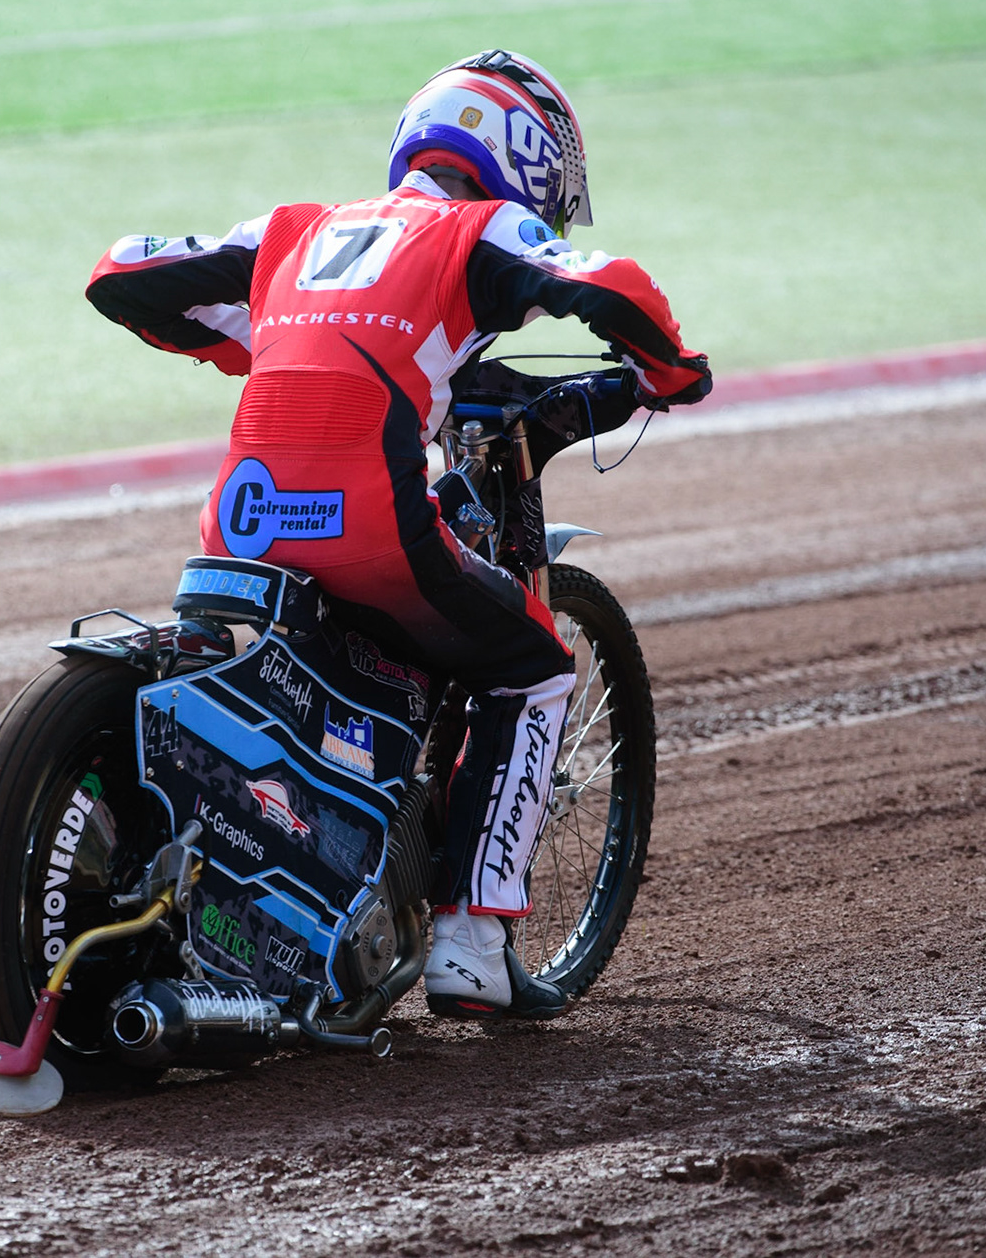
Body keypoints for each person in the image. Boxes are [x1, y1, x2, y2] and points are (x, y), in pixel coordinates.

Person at [86, 50, 709, 1022]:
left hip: (240, 520)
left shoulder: (296, 229)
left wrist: (251, 340)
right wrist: (673, 370)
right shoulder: (480, 227)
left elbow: (121, 276)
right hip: (367, 515)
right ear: (523, 159)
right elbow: (613, 287)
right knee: (535, 667)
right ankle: (471, 939)